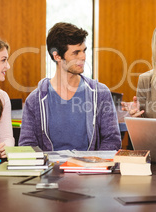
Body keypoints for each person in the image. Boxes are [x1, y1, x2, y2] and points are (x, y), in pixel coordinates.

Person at [19, 22, 121, 151]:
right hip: (50, 170)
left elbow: (112, 139)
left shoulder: (100, 93)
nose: (83, 57)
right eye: (76, 53)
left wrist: (91, 163)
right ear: (57, 56)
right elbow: (27, 145)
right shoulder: (35, 100)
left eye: (84, 51)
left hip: (90, 168)